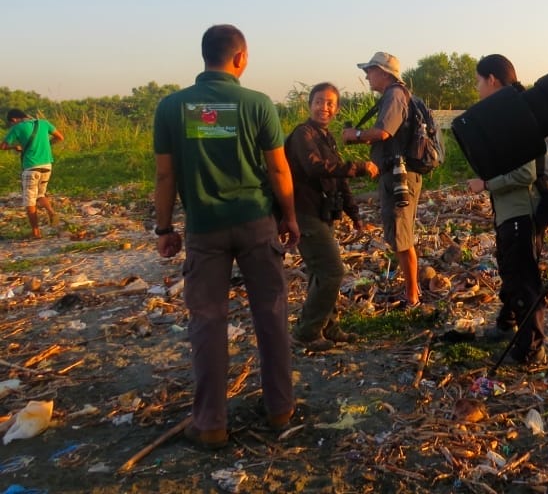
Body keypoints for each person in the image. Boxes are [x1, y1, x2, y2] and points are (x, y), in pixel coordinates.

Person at [153, 24, 300, 450]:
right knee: (271, 315)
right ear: (240, 57)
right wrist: (288, 217)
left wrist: (165, 228)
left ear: (205, 57)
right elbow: (277, 169)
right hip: (256, 223)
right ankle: (280, 409)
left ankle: (211, 423)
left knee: (208, 322)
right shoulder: (258, 104)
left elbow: (165, 174)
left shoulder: (171, 107)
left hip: (204, 229)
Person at [466, 54, 546, 365]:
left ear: (492, 79)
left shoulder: (513, 115)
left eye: (478, 81)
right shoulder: (511, 111)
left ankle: (531, 349)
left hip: (520, 214)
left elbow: (525, 174)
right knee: (514, 275)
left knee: (523, 281)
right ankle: (507, 323)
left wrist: (486, 184)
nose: (477, 88)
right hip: (512, 214)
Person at [286, 82, 378, 351]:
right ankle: (306, 333)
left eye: (329, 103)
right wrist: (360, 167)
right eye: (319, 101)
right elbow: (316, 168)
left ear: (336, 109)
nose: (323, 107)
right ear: (309, 104)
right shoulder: (302, 134)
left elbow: (337, 178)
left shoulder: (325, 136)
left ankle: (328, 326)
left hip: (323, 212)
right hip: (305, 213)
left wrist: (353, 212)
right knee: (332, 272)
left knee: (320, 273)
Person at [342, 52, 422, 308]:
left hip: (399, 176)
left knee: (401, 235)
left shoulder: (395, 95)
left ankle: (412, 297)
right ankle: (411, 290)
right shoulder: (394, 95)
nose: (366, 76)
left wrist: (354, 134)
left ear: (384, 72)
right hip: (394, 174)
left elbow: (383, 132)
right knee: (399, 234)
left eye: (370, 71)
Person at [2, 109, 64, 238]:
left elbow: (2, 146)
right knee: (40, 194)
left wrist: (15, 147)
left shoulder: (17, 128)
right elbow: (60, 137)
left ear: (13, 120)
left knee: (30, 201)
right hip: (47, 165)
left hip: (31, 167)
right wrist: (47, 144)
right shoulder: (43, 123)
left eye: (11, 123)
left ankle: (36, 232)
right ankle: (51, 212)